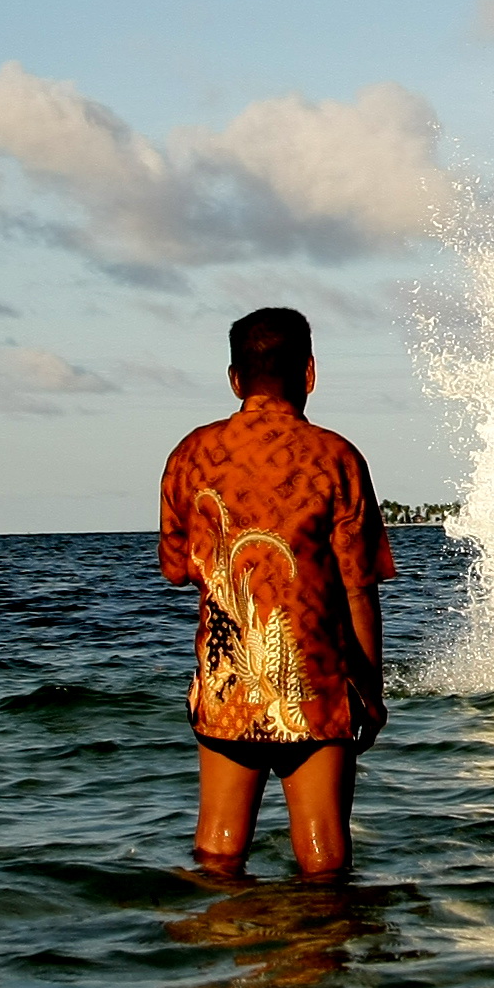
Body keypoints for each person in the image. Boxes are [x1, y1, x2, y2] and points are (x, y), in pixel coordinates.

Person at [158, 306, 393, 877]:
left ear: (235, 378)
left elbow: (177, 568)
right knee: (324, 857)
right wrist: (371, 692)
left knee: (218, 850)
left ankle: (215, 930)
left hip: (226, 677)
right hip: (315, 684)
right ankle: (324, 932)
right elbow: (358, 590)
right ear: (309, 372)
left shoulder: (190, 455)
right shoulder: (336, 457)